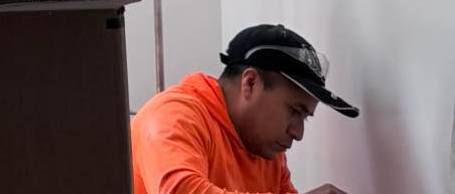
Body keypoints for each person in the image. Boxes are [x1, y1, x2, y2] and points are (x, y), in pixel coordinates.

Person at [131, 23, 359, 194]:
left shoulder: (267, 151)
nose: (298, 133)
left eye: (305, 117)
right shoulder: (172, 116)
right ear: (250, 83)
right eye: (294, 111)